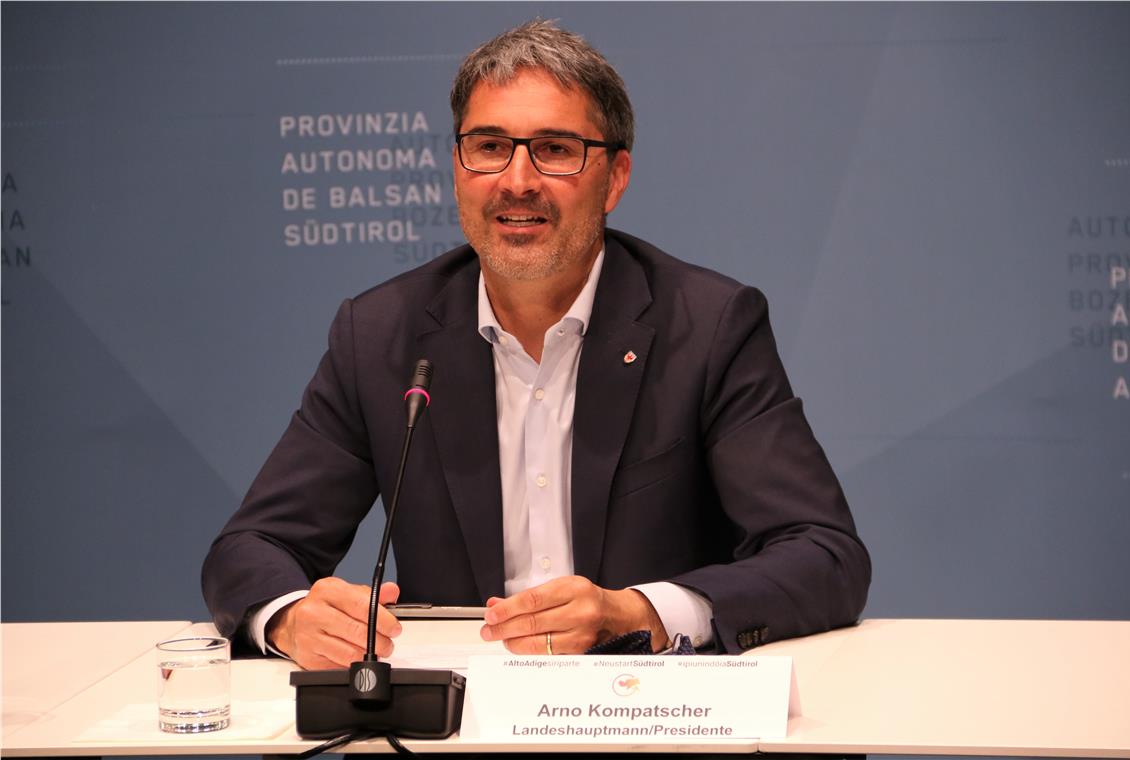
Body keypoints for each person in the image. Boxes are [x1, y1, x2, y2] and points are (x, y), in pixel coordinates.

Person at [202, 20, 871, 671]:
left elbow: (823, 554)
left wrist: (641, 613)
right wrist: (290, 619)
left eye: (554, 149)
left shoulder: (708, 325)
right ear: (457, 168)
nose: (517, 180)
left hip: (651, 712)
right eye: (489, 146)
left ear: (615, 177)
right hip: (464, 719)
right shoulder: (381, 335)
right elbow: (251, 548)